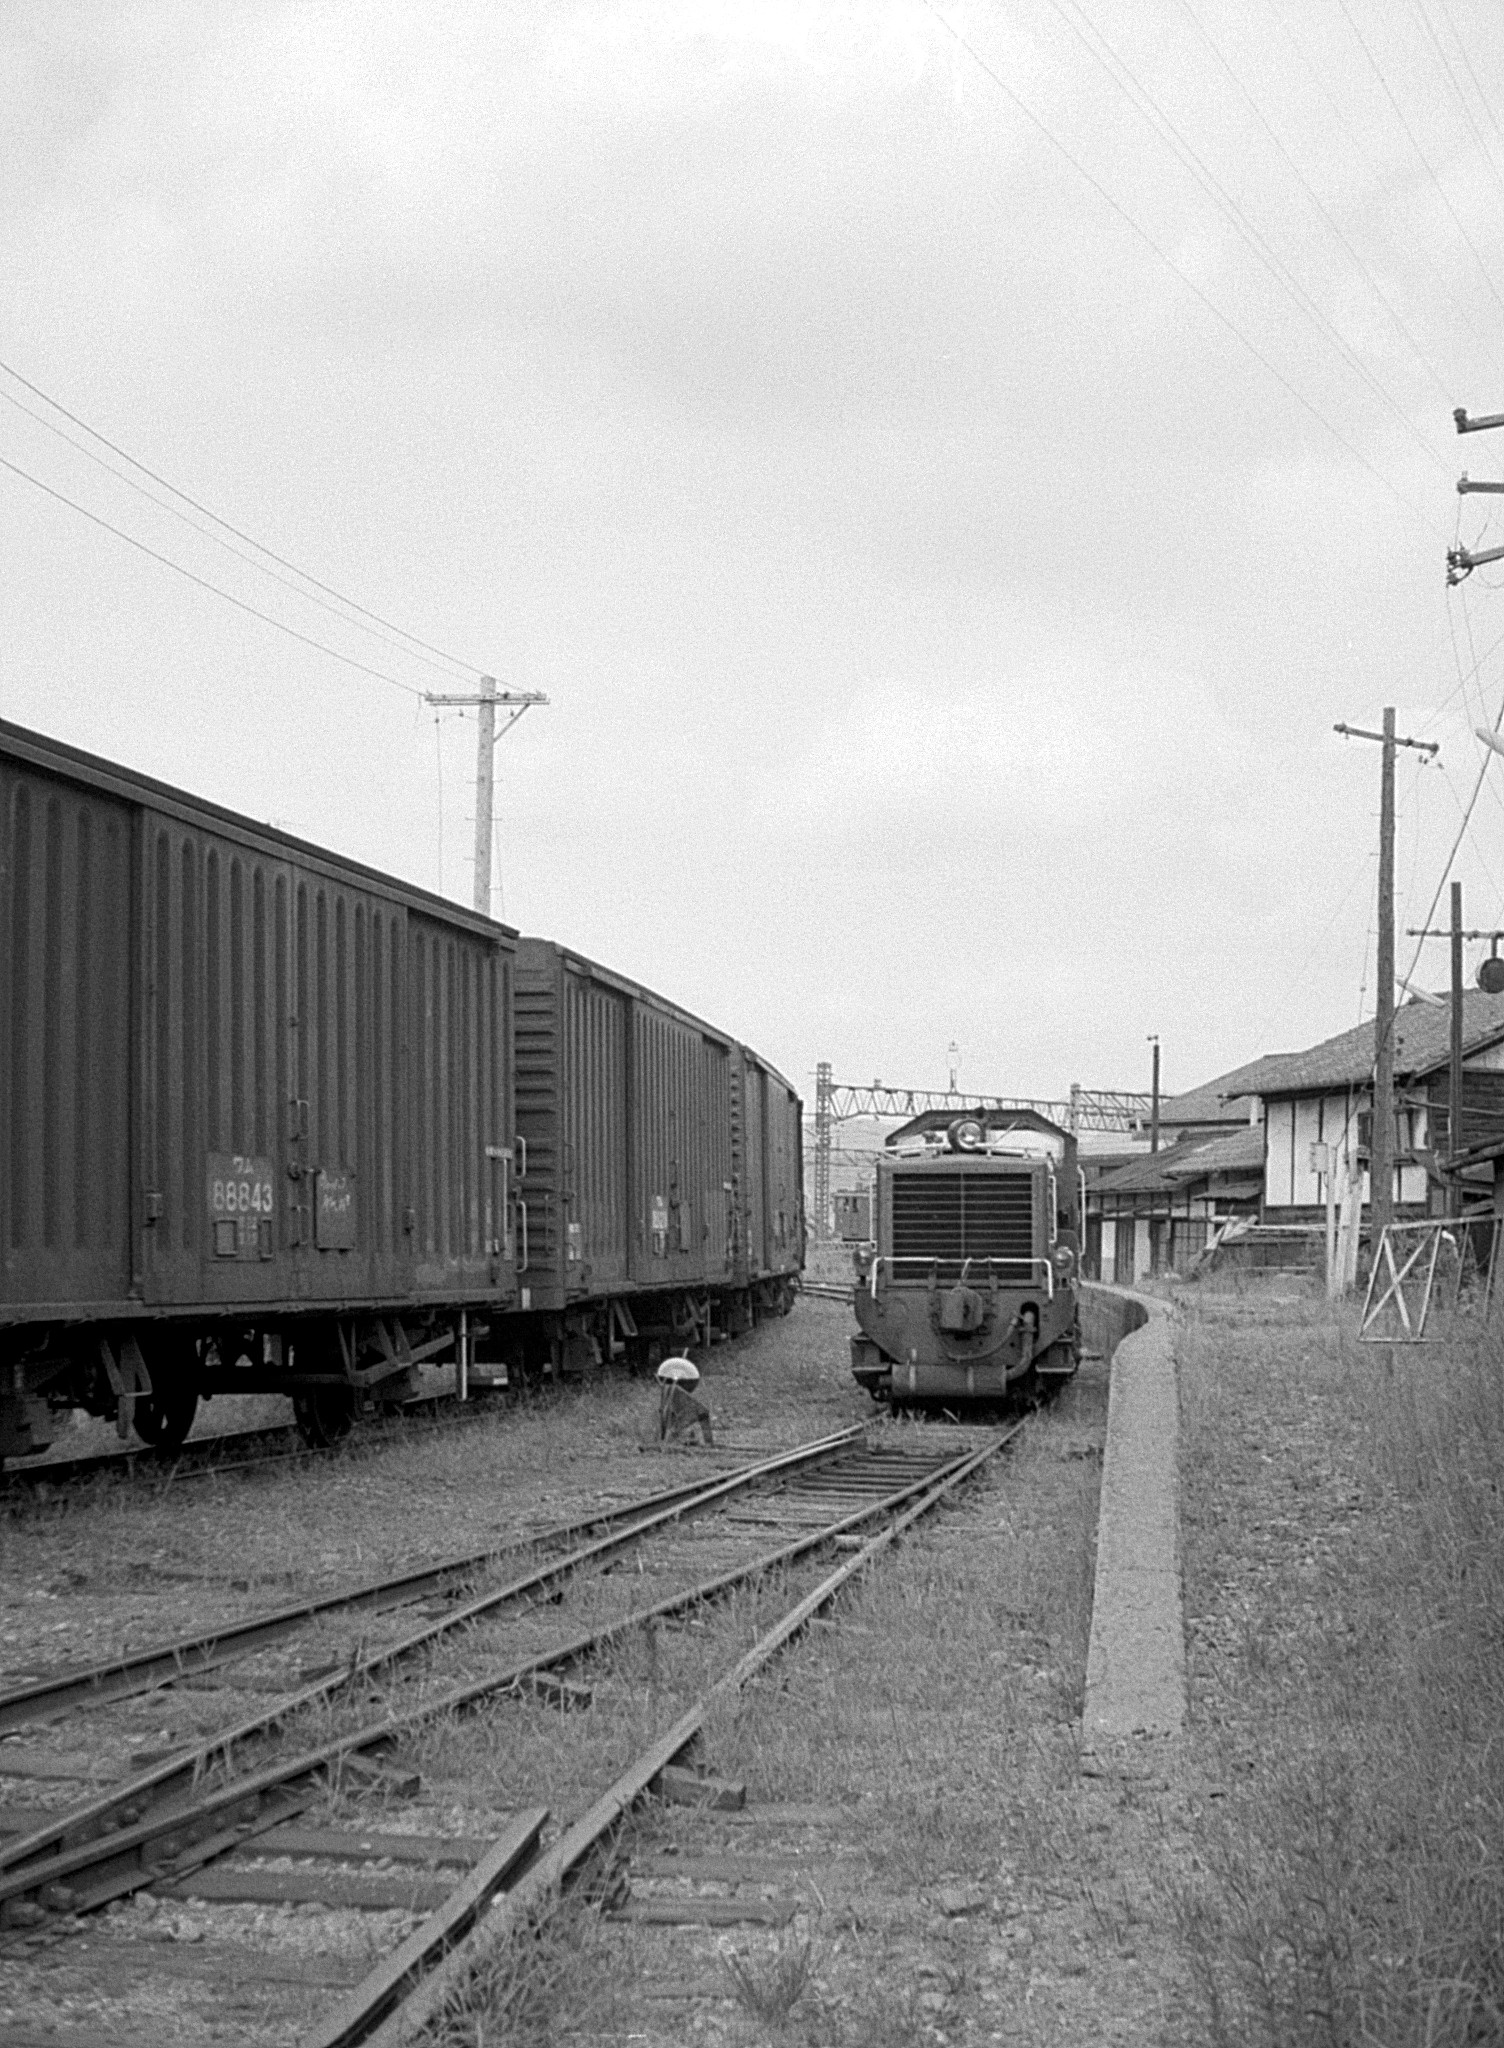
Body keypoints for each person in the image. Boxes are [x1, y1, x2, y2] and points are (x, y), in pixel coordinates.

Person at [655, 1355, 713, 1445]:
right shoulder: (672, 1390)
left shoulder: (671, 1389)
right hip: (682, 1412)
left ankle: (708, 1443)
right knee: (702, 1413)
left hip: (683, 1409)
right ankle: (668, 1442)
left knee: (702, 1412)